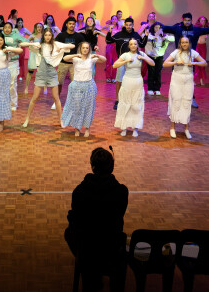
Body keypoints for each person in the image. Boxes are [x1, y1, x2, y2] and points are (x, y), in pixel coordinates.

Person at [64, 147, 128, 292]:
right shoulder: (121, 191)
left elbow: (75, 219)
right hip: (111, 245)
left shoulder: (79, 191)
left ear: (92, 166)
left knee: (69, 233)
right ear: (111, 167)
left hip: (88, 248)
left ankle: (85, 265)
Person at [161, 12, 209, 108]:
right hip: (178, 56)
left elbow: (207, 30)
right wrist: (158, 29)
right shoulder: (177, 28)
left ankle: (191, 99)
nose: (187, 22)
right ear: (182, 20)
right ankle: (175, 98)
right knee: (176, 80)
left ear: (191, 21)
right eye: (185, 20)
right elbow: (166, 27)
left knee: (189, 81)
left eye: (189, 20)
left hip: (190, 57)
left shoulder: (196, 30)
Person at [21, 29, 75, 127]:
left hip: (52, 74)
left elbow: (72, 46)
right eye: (46, 35)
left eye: (49, 35)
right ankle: (27, 119)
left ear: (52, 36)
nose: (48, 37)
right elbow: (22, 44)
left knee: (56, 98)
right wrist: (33, 44)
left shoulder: (55, 44)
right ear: (43, 35)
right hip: (41, 74)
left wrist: (61, 48)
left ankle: (61, 120)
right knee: (35, 98)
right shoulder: (40, 44)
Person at [163, 36, 207, 139]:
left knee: (187, 102)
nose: (184, 44)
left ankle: (186, 129)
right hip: (177, 79)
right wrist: (176, 62)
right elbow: (165, 64)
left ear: (189, 43)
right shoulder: (176, 52)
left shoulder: (193, 53)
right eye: (182, 42)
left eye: (186, 42)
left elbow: (204, 63)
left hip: (188, 80)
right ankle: (172, 128)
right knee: (176, 101)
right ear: (180, 43)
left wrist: (195, 63)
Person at [61, 42, 106, 137]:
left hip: (89, 86)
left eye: (87, 48)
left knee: (88, 108)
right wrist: (76, 55)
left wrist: (96, 55)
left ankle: (87, 128)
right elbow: (65, 58)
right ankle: (77, 128)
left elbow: (104, 60)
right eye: (83, 48)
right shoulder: (76, 59)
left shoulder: (91, 59)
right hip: (77, 85)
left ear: (89, 49)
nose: (85, 50)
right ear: (80, 49)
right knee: (77, 108)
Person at [112, 39, 155, 137]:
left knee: (136, 105)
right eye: (131, 44)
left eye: (135, 44)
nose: (133, 46)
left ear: (137, 45)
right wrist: (126, 61)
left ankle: (136, 128)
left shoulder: (141, 54)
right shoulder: (125, 55)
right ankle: (124, 127)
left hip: (138, 82)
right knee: (125, 103)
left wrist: (143, 58)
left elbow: (153, 63)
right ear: (129, 46)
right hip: (127, 81)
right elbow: (114, 65)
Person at [105, 17, 148, 110]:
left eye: (130, 25)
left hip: (133, 62)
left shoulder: (136, 35)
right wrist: (109, 32)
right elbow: (108, 41)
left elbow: (142, 44)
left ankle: (131, 101)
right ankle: (118, 100)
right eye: (127, 25)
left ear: (133, 25)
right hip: (122, 62)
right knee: (119, 82)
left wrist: (146, 36)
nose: (128, 26)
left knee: (132, 82)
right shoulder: (119, 34)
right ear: (124, 25)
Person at [0, 22, 28, 111]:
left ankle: (13, 104)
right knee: (1, 84)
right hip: (1, 62)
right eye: (5, 27)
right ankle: (1, 103)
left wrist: (19, 45)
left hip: (13, 63)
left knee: (12, 85)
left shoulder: (16, 36)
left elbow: (26, 41)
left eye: (9, 27)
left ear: (12, 28)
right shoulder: (0, 35)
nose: (7, 29)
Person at [54, 17, 86, 109]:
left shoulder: (79, 36)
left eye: (73, 24)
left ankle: (75, 102)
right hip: (63, 63)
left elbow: (84, 47)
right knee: (59, 83)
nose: (72, 25)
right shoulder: (61, 35)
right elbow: (55, 45)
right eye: (70, 24)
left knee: (75, 84)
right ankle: (56, 101)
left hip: (74, 64)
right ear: (67, 25)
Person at [144, 22, 173, 95]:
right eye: (156, 27)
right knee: (151, 73)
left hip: (159, 57)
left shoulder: (164, 36)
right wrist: (155, 36)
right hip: (150, 56)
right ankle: (150, 88)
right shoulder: (150, 35)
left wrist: (165, 37)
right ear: (153, 28)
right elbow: (145, 37)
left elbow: (173, 38)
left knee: (158, 73)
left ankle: (157, 89)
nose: (158, 29)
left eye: (159, 28)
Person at [24, 22, 44, 95]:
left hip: (41, 55)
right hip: (33, 54)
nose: (39, 28)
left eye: (40, 27)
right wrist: (30, 42)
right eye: (38, 27)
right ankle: (26, 87)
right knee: (30, 71)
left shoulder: (44, 36)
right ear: (35, 28)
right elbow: (26, 42)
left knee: (41, 72)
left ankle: (43, 88)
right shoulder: (32, 36)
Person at [193, 16, 209, 87]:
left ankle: (201, 80)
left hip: (203, 47)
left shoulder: (207, 29)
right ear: (199, 21)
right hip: (197, 46)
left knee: (202, 63)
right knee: (196, 64)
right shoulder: (196, 28)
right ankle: (193, 80)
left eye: (204, 21)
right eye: (202, 20)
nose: (203, 22)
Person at [104, 15, 119, 83]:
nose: (114, 20)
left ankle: (113, 77)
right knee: (109, 62)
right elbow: (100, 28)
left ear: (117, 20)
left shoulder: (119, 27)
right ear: (111, 20)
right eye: (113, 19)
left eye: (116, 19)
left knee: (115, 62)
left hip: (116, 46)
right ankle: (108, 77)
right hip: (109, 46)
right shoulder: (108, 26)